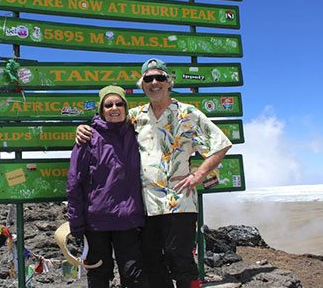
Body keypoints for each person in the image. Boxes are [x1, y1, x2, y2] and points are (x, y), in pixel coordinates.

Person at [76, 59, 232, 288]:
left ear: (169, 82)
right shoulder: (135, 116)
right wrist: (82, 128)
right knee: (151, 261)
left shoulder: (188, 114)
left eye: (160, 77)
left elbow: (220, 144)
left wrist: (199, 174)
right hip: (145, 206)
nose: (154, 83)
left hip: (180, 202)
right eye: (148, 79)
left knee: (180, 259)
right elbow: (108, 121)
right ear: (142, 85)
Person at [67, 85, 149, 288]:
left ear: (126, 107)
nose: (114, 108)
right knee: (98, 276)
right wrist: (76, 224)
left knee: (135, 276)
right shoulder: (88, 138)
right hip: (96, 223)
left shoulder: (137, 132)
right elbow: (74, 182)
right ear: (101, 109)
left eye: (119, 103)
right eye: (108, 104)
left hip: (129, 221)